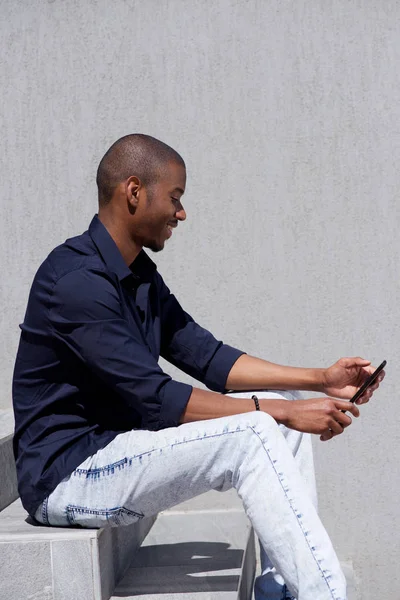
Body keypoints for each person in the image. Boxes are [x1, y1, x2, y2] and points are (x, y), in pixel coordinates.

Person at [12, 134, 384, 600]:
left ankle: (281, 588)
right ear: (134, 192)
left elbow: (209, 359)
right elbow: (158, 397)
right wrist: (280, 412)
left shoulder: (138, 275)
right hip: (69, 478)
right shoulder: (75, 282)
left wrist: (318, 380)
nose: (181, 214)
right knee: (258, 429)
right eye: (175, 197)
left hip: (120, 451)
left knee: (278, 412)